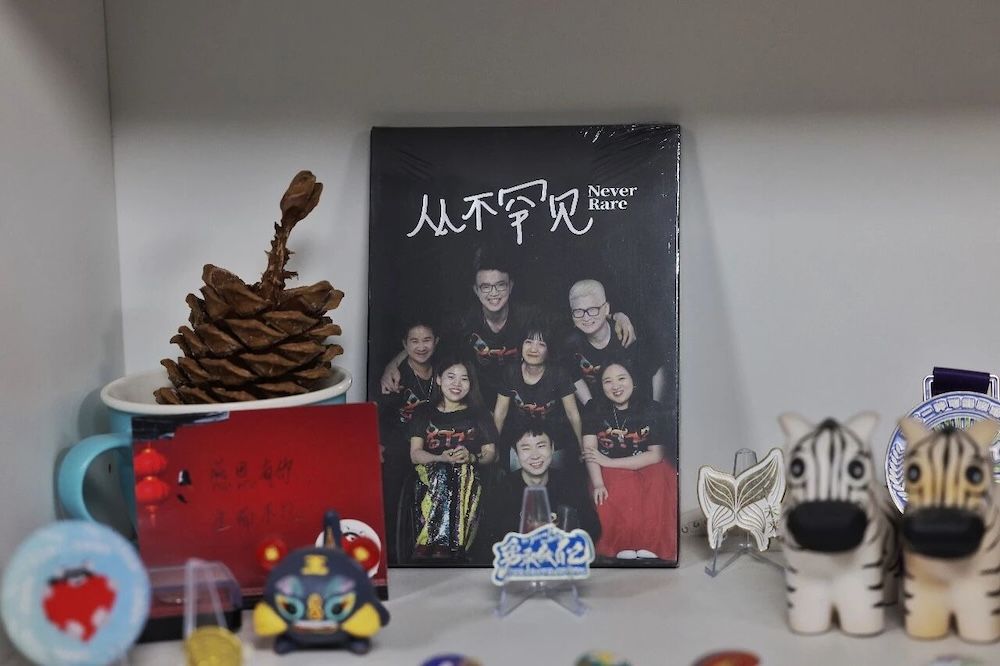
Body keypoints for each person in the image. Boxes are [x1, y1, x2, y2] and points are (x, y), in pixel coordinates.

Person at [382, 251, 636, 410]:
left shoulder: (529, 315)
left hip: (522, 405)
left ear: (511, 286)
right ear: (476, 290)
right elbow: (427, 339)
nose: (493, 293)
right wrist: (394, 363)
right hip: (478, 404)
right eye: (486, 287)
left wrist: (615, 315)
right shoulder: (465, 321)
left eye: (500, 285)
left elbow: (577, 317)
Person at [582, 362, 677, 561]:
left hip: (646, 463)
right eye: (608, 381)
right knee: (620, 485)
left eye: (621, 378)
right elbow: (590, 451)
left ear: (633, 381)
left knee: (659, 478)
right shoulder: (593, 408)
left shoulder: (651, 408)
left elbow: (656, 455)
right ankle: (624, 544)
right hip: (611, 470)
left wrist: (608, 462)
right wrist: (598, 483)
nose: (616, 386)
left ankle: (651, 545)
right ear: (601, 386)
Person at [408, 356, 498, 560]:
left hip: (468, 475)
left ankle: (435, 544)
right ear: (439, 379)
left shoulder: (479, 414)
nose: (457, 384)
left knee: (460, 470)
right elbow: (415, 454)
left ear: (471, 384)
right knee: (443, 470)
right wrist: (440, 457)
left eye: (464, 379)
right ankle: (443, 544)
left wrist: (472, 457)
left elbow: (491, 454)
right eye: (451, 377)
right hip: (429, 475)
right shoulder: (423, 411)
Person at [377, 321, 439, 550]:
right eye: (414, 341)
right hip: (400, 443)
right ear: (404, 345)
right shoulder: (395, 377)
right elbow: (379, 415)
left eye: (427, 340)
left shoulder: (442, 370)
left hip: (432, 440)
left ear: (436, 342)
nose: (421, 347)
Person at [484, 428, 601, 545]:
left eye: (541, 446)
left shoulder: (570, 484)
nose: (535, 455)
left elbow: (592, 529)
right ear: (516, 453)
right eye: (526, 448)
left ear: (552, 448)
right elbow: (492, 539)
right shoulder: (503, 490)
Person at [493, 325, 583, 472]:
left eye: (541, 344)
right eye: (528, 342)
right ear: (521, 346)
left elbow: (572, 414)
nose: (533, 349)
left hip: (554, 439)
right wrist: (494, 447)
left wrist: (581, 447)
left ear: (548, 351)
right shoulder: (510, 372)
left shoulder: (559, 374)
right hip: (519, 439)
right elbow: (500, 413)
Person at [564, 279, 655, 405]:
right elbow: (575, 377)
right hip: (599, 407)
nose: (586, 317)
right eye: (578, 311)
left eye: (593, 309)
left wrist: (653, 407)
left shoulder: (625, 334)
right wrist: (591, 406)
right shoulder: (571, 343)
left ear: (606, 308)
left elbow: (653, 372)